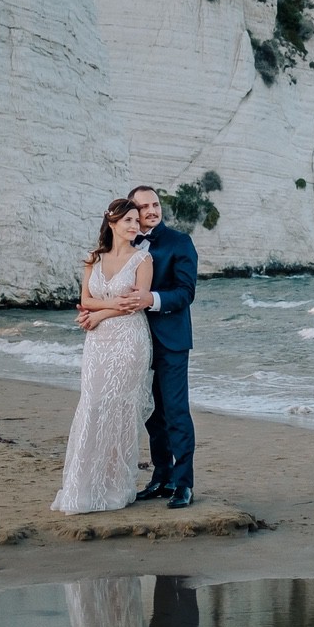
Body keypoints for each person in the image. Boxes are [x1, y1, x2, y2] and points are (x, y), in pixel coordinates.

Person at [53, 199, 154, 514]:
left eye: (137, 221)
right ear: (112, 223)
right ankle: (81, 490)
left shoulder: (143, 259)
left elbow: (135, 303)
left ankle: (115, 488)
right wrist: (99, 314)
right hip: (98, 344)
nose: (135, 226)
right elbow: (84, 298)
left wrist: (97, 315)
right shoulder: (93, 259)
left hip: (130, 340)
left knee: (120, 409)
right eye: (128, 220)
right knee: (93, 404)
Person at [111, 185, 200, 509]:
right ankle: (161, 477)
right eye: (144, 206)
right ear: (132, 212)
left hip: (171, 342)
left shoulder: (180, 242)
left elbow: (185, 292)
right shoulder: (124, 243)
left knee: (176, 412)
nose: (152, 210)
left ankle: (183, 484)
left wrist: (152, 299)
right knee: (151, 415)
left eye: (155, 204)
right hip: (135, 339)